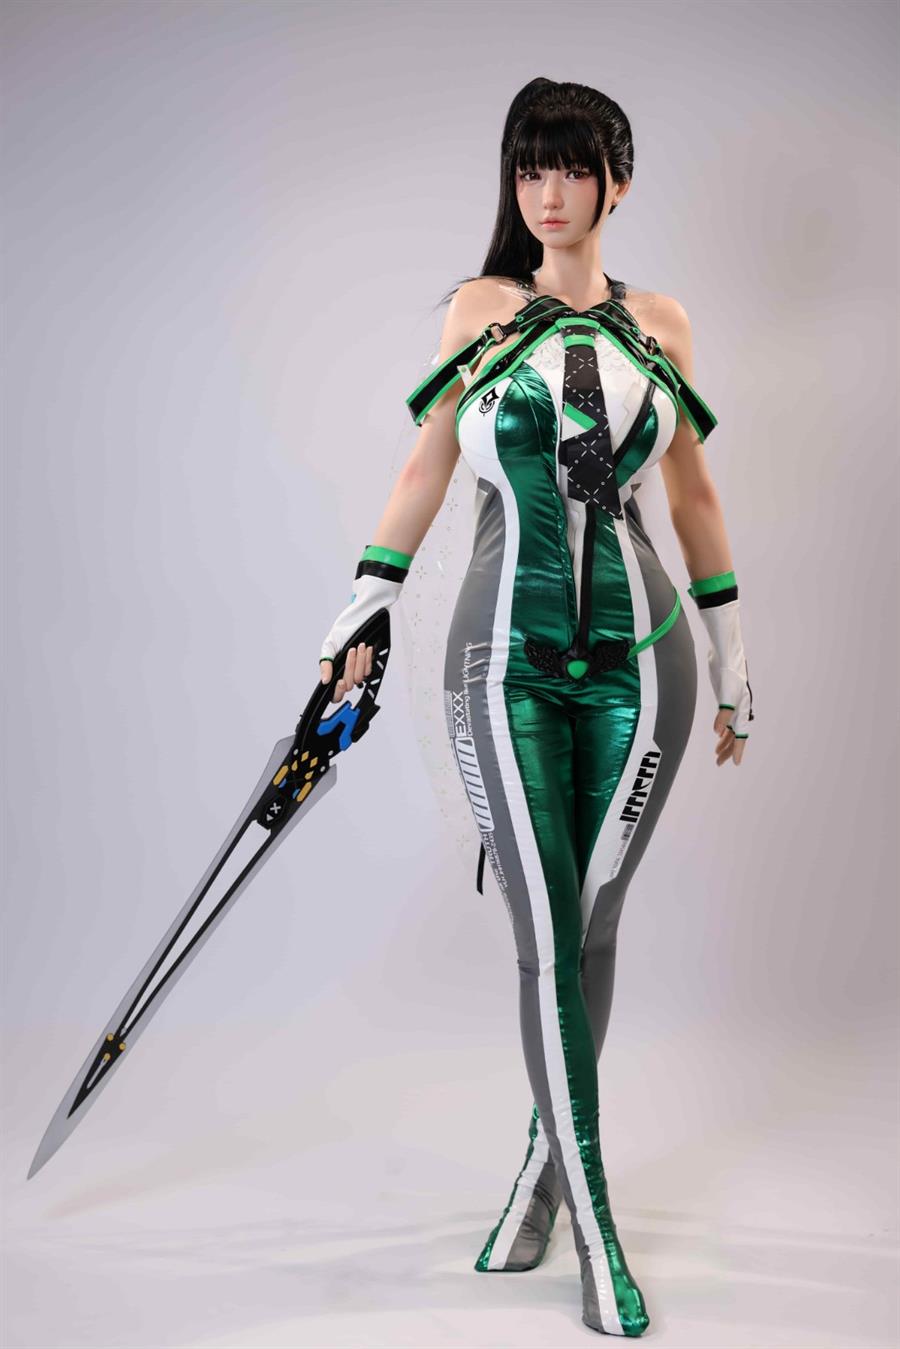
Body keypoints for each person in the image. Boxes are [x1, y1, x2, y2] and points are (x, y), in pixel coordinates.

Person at [317, 77, 753, 1339]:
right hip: (501, 655)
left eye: (571, 167)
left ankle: (539, 1174)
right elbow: (428, 463)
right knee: (546, 927)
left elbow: (694, 495)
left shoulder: (662, 323)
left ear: (619, 180)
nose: (547, 193)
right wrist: (365, 604)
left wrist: (732, 654)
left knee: (593, 915)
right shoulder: (482, 310)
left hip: (643, 660)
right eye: (528, 169)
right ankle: (598, 1227)